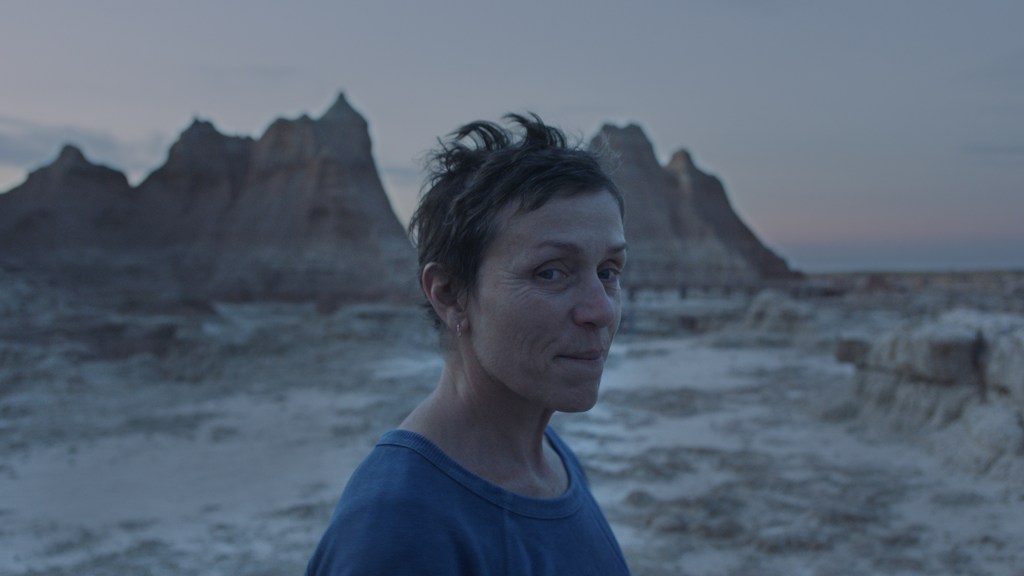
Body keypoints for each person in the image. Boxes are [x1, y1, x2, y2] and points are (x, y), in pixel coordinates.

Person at [306, 113, 631, 575]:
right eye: (550, 272)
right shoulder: (398, 530)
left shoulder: (552, 461)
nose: (600, 310)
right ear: (450, 295)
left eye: (608, 272)